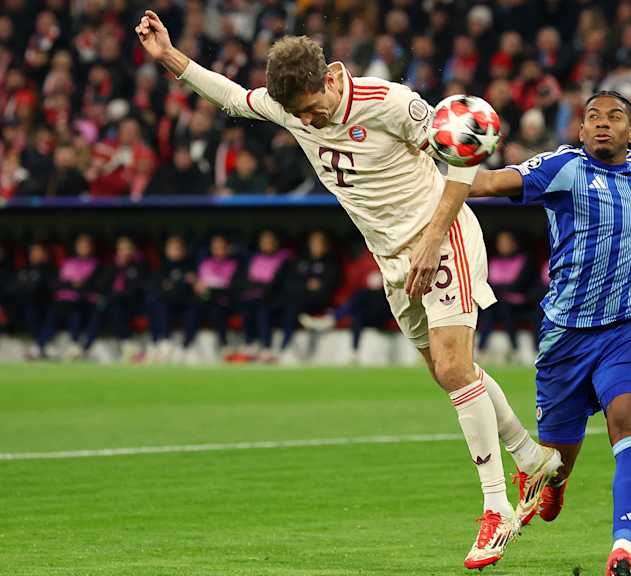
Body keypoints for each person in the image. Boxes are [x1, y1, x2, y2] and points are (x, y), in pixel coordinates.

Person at [136, 11, 555, 568]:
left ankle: (497, 507)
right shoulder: (291, 107)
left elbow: (459, 161)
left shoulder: (392, 103)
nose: (308, 120)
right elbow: (233, 97)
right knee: (447, 374)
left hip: (443, 235)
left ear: (332, 77)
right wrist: (169, 57)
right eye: (298, 115)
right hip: (393, 259)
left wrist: (433, 240)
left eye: (313, 108)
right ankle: (533, 458)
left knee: (456, 368)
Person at [467, 90, 631, 576]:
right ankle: (554, 480)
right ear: (579, 130)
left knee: (629, 422)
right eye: (592, 116)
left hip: (626, 327)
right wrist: (434, 169)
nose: (601, 123)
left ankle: (623, 549)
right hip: (566, 337)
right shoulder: (563, 168)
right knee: (557, 464)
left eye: (614, 117)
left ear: (630, 133)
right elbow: (489, 182)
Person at [279, 229, 339, 360]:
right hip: (298, 300)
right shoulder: (301, 261)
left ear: (326, 245)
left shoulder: (331, 263)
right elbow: (290, 283)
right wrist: (306, 284)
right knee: (287, 305)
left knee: (293, 308)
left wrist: (311, 286)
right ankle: (281, 346)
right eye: (313, 242)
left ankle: (284, 346)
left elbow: (328, 286)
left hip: (320, 302)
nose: (316, 245)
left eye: (319, 243)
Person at [38, 233, 101, 359]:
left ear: (91, 247)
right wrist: (73, 284)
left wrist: (75, 285)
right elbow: (60, 283)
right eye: (81, 245)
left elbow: (91, 284)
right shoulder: (68, 263)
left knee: (76, 312)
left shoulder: (96, 264)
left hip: (84, 300)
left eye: (86, 245)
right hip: (63, 300)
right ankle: (42, 345)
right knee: (52, 313)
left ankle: (75, 343)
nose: (83, 248)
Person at [85, 236, 147, 361]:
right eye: (121, 249)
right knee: (101, 309)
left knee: (113, 308)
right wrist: (116, 267)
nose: (124, 252)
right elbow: (100, 285)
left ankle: (127, 343)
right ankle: (87, 346)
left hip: (131, 304)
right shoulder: (111, 265)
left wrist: (111, 298)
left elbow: (135, 290)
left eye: (127, 249)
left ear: (133, 250)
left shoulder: (140, 266)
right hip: (110, 303)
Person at [477, 231, 534, 361]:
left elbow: (519, 284)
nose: (503, 245)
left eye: (506, 242)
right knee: (488, 309)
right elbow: (488, 283)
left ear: (514, 243)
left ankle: (514, 349)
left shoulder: (524, 260)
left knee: (503, 308)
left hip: (517, 303)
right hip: (497, 301)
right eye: (501, 243)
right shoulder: (493, 260)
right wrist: (501, 288)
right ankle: (481, 350)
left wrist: (500, 288)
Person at [235, 230, 289, 363]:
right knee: (246, 306)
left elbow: (276, 282)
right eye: (264, 242)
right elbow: (248, 281)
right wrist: (256, 286)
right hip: (253, 297)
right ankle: (250, 343)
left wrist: (261, 286)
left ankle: (266, 347)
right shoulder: (254, 258)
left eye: (270, 242)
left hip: (274, 299)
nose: (267, 245)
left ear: (276, 243)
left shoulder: (283, 259)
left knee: (263, 308)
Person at [146, 234, 197, 362]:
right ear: (166, 250)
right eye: (172, 248)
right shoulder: (160, 268)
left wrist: (175, 285)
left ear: (183, 250)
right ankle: (162, 342)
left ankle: (187, 347)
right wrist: (180, 283)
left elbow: (192, 289)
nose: (175, 252)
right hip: (167, 305)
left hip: (185, 304)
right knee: (156, 303)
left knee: (193, 308)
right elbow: (158, 289)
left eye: (178, 248)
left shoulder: (191, 266)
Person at [192, 234, 240, 358]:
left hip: (226, 300)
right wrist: (199, 285)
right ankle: (187, 345)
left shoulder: (234, 265)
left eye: (222, 247)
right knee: (193, 308)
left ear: (227, 248)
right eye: (216, 248)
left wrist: (215, 286)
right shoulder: (205, 264)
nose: (219, 251)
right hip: (207, 298)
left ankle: (224, 344)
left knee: (217, 309)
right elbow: (201, 284)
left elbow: (231, 285)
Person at [12, 242, 55, 359]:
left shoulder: (51, 270)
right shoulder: (24, 270)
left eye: (38, 251)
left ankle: (38, 347)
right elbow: (16, 288)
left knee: (52, 315)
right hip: (28, 306)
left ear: (45, 254)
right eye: (33, 251)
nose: (35, 254)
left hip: (48, 306)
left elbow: (51, 289)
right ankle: (38, 347)